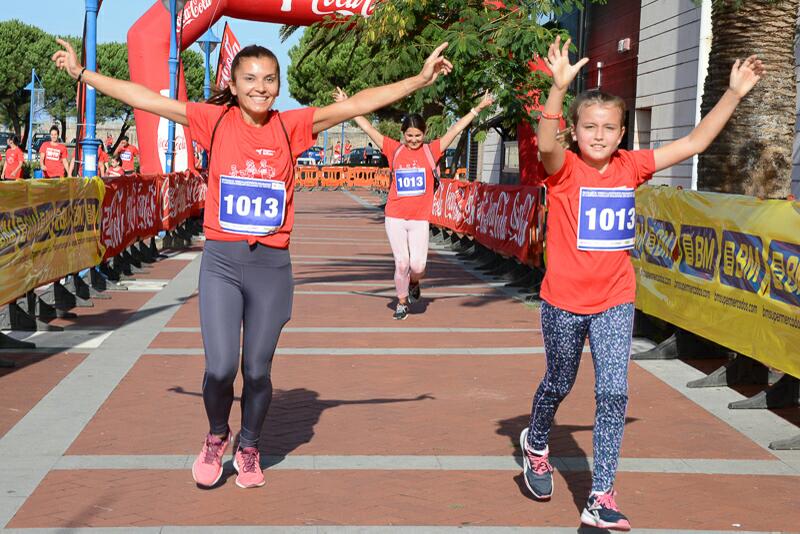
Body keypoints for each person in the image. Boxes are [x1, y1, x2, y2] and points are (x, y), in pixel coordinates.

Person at [53, 37, 452, 489]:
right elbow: (144, 97)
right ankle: (216, 435)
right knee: (220, 368)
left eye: (269, 80)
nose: (261, 88)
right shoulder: (214, 120)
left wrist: (419, 80)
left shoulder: (292, 126)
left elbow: (359, 102)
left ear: (278, 85)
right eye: (250, 79)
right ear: (234, 84)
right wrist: (82, 74)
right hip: (222, 263)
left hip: (271, 268)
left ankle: (249, 446)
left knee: (258, 371)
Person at [519, 36, 764, 531]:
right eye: (589, 127)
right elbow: (545, 143)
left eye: (609, 128)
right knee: (559, 382)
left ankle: (601, 496)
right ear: (576, 130)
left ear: (622, 132)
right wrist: (557, 88)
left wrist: (734, 93)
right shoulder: (563, 169)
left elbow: (695, 143)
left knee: (613, 394)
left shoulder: (632, 167)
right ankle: (536, 441)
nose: (599, 135)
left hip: (615, 300)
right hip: (563, 302)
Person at [333, 87, 494, 320]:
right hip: (395, 216)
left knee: (417, 266)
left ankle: (414, 283)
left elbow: (456, 128)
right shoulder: (393, 149)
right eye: (409, 135)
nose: (414, 140)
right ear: (403, 134)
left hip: (419, 219)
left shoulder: (432, 151)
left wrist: (477, 108)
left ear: (424, 133)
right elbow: (368, 127)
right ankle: (401, 302)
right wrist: (348, 104)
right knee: (401, 262)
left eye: (418, 135)